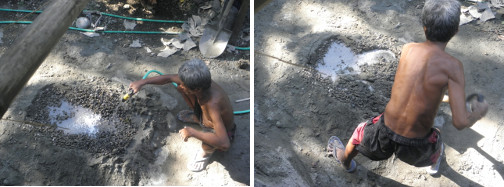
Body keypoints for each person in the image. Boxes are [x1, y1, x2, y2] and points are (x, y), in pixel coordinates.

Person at [329, 0, 489, 175]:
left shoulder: (408, 49)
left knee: (359, 134)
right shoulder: (454, 67)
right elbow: (460, 122)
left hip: (384, 131)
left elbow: (416, 83)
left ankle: (345, 160)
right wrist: (477, 114)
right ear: (456, 31)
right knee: (435, 139)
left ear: (424, 27)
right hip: (417, 145)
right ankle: (433, 163)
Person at [129, 59, 236, 172]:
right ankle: (197, 117)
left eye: (184, 84)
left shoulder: (212, 104)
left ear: (197, 88)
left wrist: (192, 132)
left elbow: (224, 144)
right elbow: (168, 78)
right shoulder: (199, 83)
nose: (181, 86)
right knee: (181, 89)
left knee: (209, 143)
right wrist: (142, 82)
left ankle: (205, 153)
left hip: (221, 131)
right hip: (205, 112)